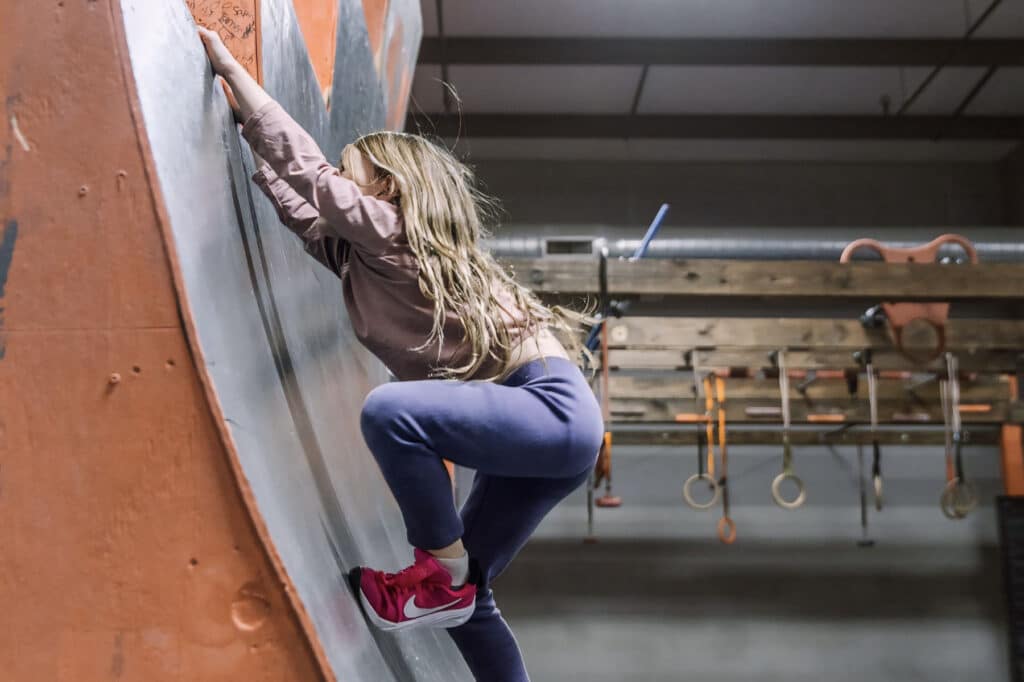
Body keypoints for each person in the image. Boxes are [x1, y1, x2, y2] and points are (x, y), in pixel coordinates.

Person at [199, 27, 603, 681]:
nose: (339, 188)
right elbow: (306, 212)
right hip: (538, 441)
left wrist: (237, 81)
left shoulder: (395, 234)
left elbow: (313, 177)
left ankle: (437, 570)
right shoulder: (365, 261)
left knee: (392, 413)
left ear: (387, 189)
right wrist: (243, 136)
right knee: (468, 606)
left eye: (352, 175)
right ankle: (451, 582)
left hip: (549, 408)